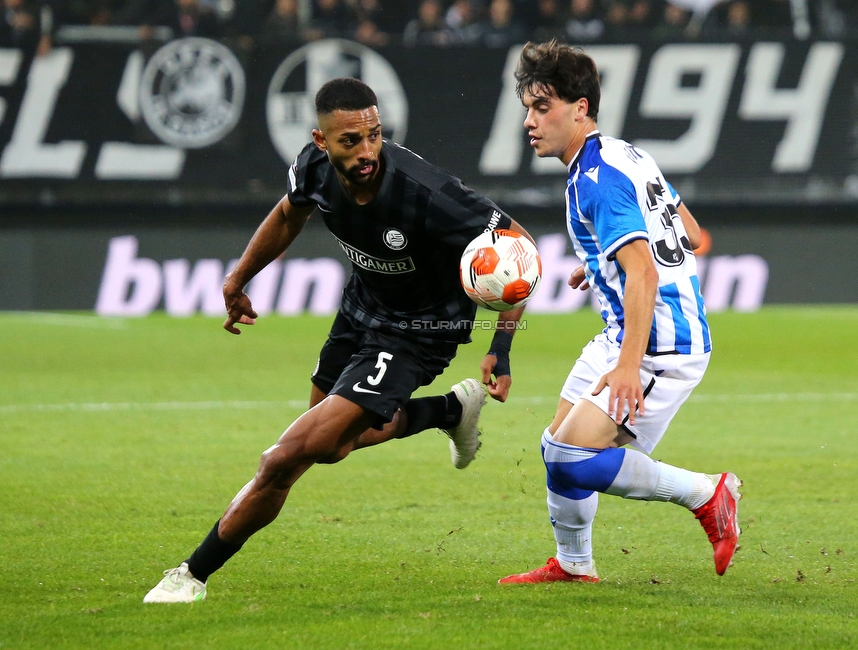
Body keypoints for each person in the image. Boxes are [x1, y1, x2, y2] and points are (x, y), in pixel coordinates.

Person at [144, 78, 530, 603]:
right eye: (350, 140)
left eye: (374, 135)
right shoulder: (313, 169)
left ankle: (191, 575)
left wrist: (500, 347)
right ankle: (447, 411)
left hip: (419, 332)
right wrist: (239, 279)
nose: (367, 150)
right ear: (321, 141)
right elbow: (287, 213)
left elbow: (518, 245)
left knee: (286, 457)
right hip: (359, 311)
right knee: (334, 445)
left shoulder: (427, 191)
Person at [498, 41, 741, 585]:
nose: (529, 121)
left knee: (571, 458)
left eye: (543, 107)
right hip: (624, 331)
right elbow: (693, 233)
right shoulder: (622, 153)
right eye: (528, 108)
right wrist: (599, 258)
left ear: (580, 108)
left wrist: (629, 365)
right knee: (555, 444)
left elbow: (645, 273)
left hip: (658, 345)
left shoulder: (596, 179)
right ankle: (574, 563)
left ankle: (708, 493)